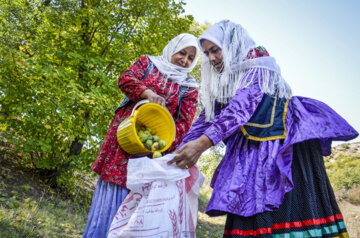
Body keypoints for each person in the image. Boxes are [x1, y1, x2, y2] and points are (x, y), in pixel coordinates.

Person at [169, 20, 358, 237]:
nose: (211, 58)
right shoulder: (222, 80)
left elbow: (242, 106)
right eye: (207, 53)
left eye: (215, 50)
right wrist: (178, 149)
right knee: (248, 204)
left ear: (230, 46)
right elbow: (207, 118)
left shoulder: (256, 57)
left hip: (283, 146)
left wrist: (201, 144)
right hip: (250, 149)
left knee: (284, 205)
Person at [83, 33, 200, 238]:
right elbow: (125, 79)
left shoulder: (189, 88)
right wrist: (146, 93)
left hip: (152, 150)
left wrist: (163, 144)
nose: (185, 60)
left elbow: (184, 123)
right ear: (173, 48)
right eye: (182, 53)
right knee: (113, 188)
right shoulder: (148, 63)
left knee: (137, 201)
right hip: (124, 137)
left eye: (191, 57)